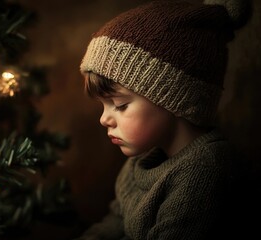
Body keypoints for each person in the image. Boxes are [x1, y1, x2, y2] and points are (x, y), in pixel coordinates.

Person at [74, 0, 254, 239]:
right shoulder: (142, 158)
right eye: (103, 105)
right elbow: (116, 221)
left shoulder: (204, 172)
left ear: (174, 98)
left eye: (120, 105)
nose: (104, 119)